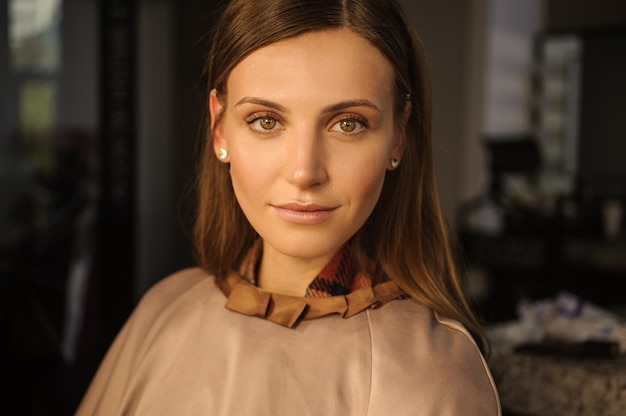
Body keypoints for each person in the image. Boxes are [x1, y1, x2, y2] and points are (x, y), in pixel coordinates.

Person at [77, 0, 501, 414]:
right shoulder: (162, 309)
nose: (304, 171)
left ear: (398, 137)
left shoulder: (432, 371)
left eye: (347, 124)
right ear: (219, 129)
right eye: (266, 121)